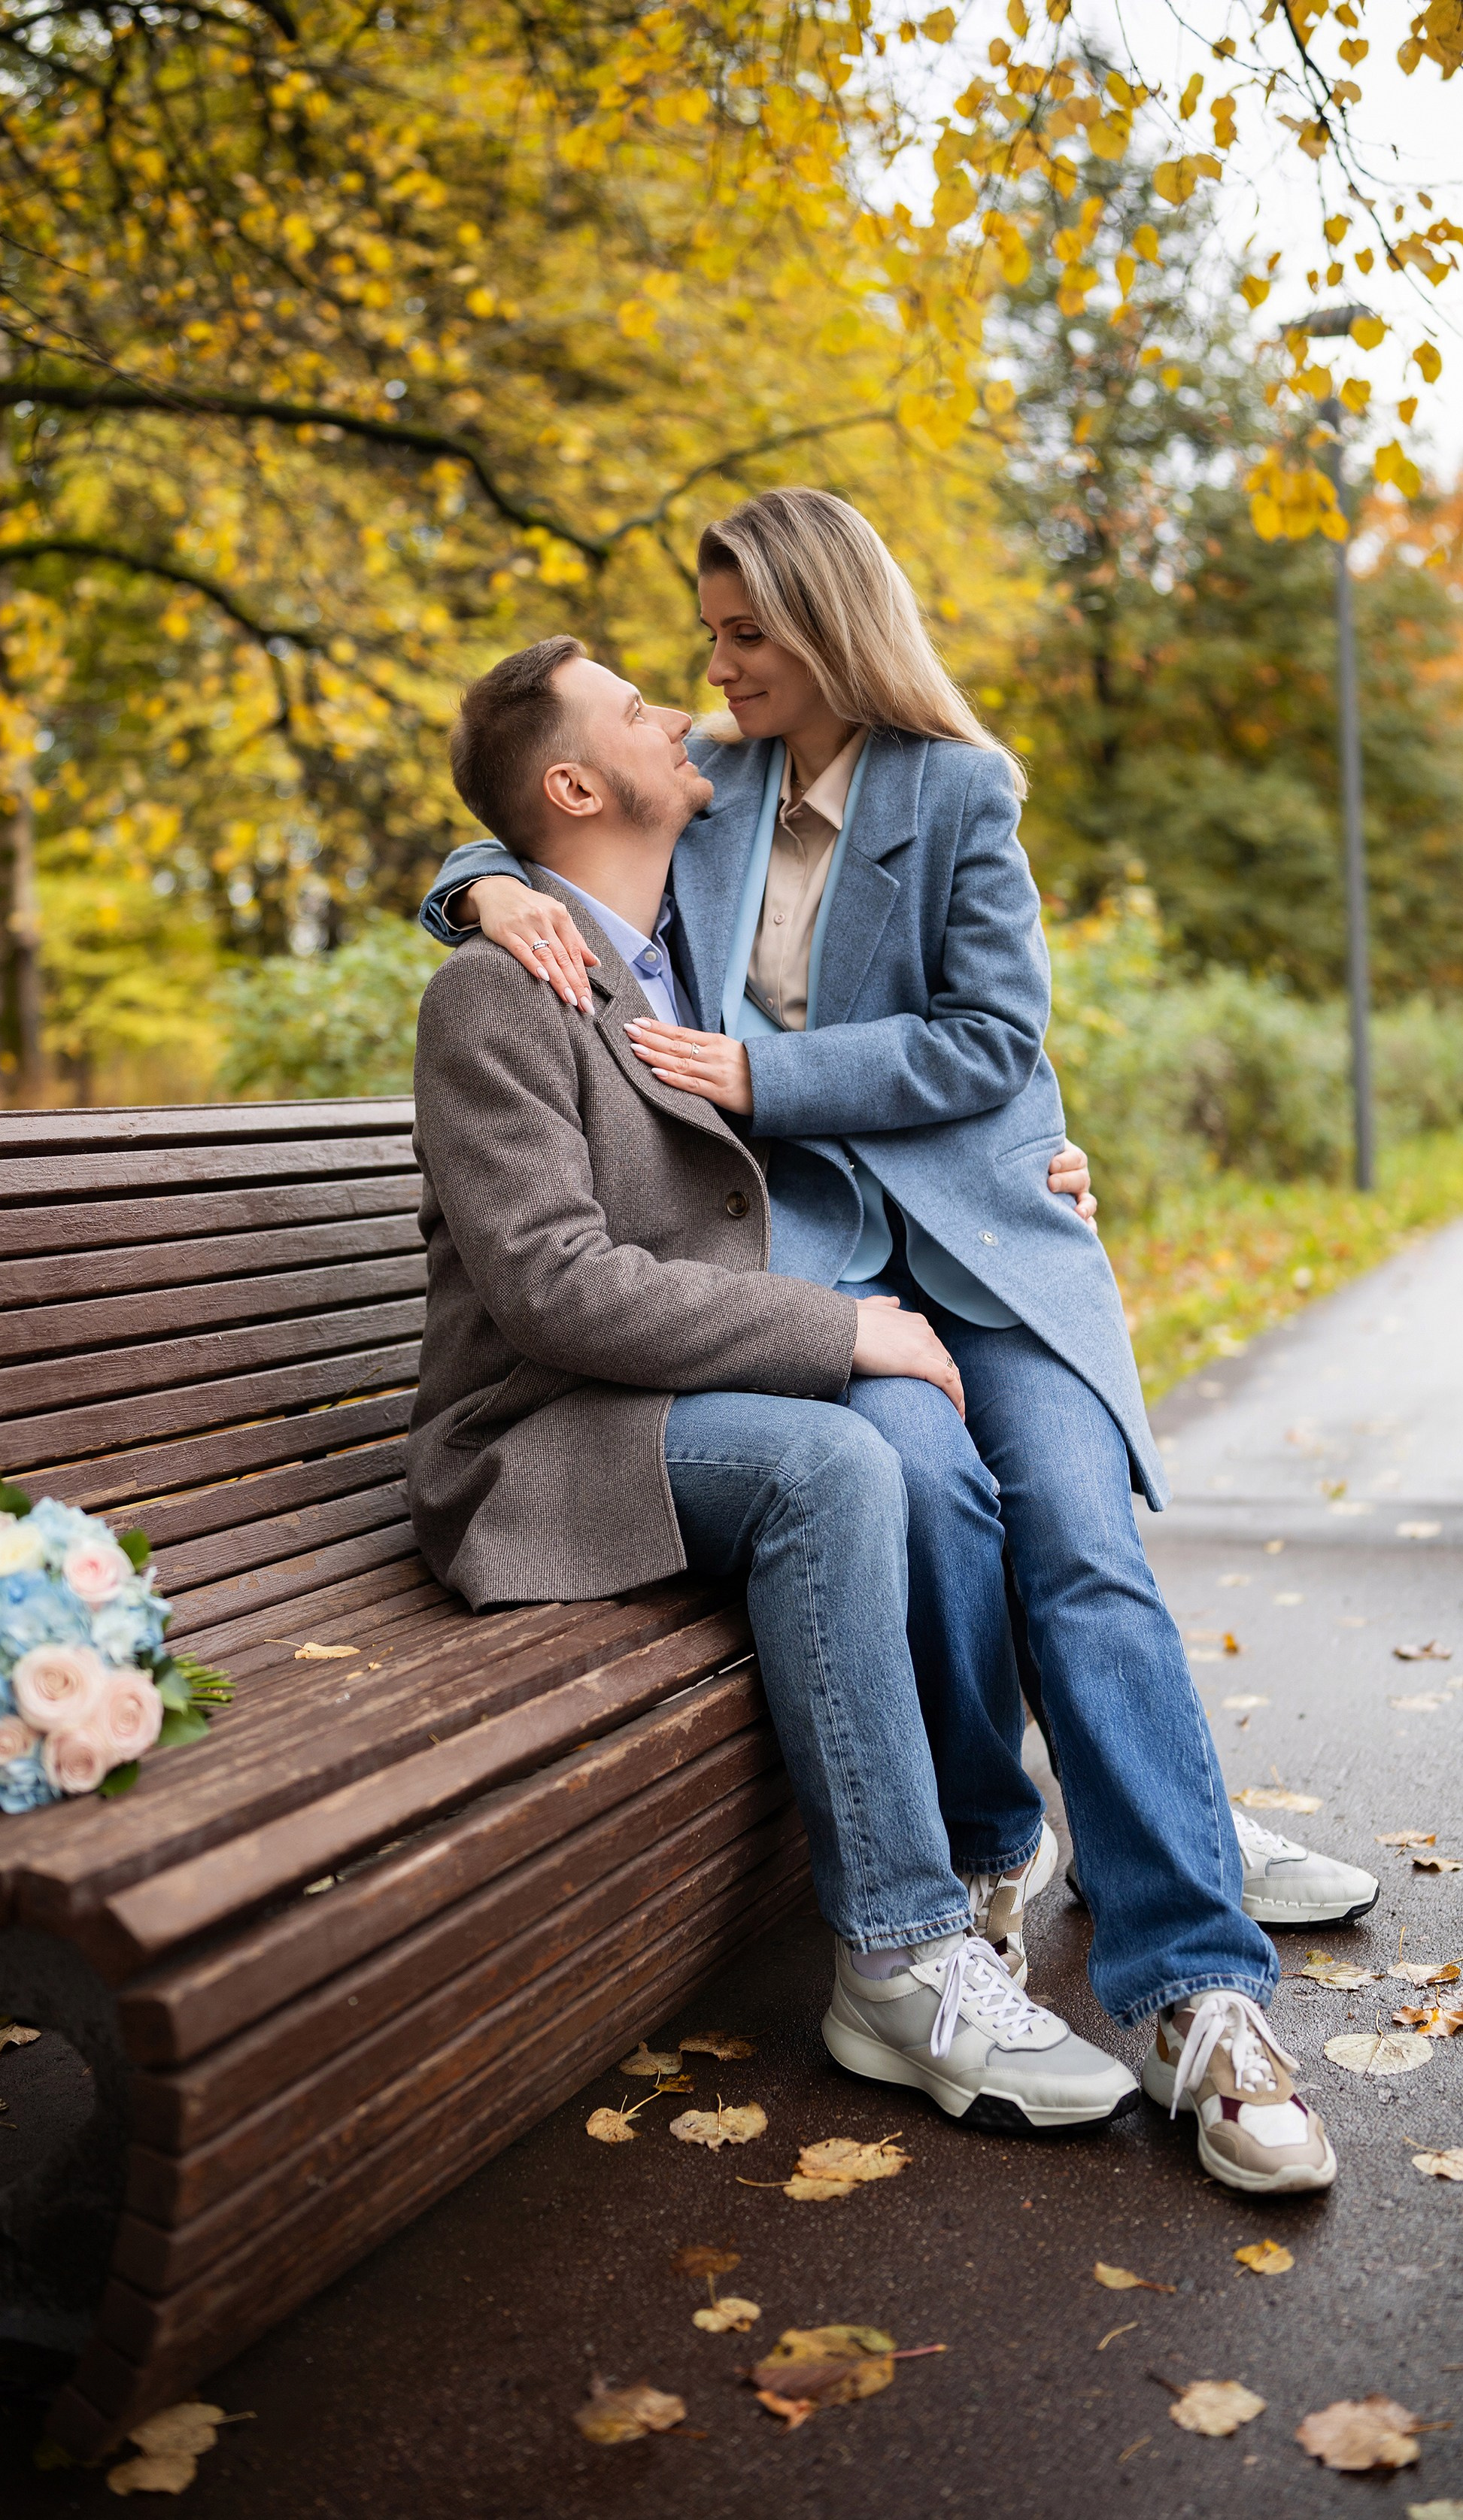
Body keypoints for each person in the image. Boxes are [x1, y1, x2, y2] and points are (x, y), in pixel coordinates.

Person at [420, 490, 1376, 2199]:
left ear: (825, 623)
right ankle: (999, 1853)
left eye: (740, 634)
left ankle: (1197, 1989)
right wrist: (476, 891)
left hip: (988, 1245)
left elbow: (995, 1036)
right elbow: (540, 821)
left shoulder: (959, 789)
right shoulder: (704, 787)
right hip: (820, 1270)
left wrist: (774, 1080)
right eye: (703, 641)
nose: (709, 670)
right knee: (925, 1498)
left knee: (1079, 1541)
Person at [411, 633, 1140, 2139]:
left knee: (928, 1443)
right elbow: (550, 1285)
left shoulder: (697, 912)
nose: (678, 708)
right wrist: (837, 1327)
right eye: (634, 707)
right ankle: (896, 1954)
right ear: (573, 782)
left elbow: (926, 986)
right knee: (841, 1464)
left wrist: (1022, 1170)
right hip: (542, 1440)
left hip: (682, 1398)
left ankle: (1044, 1823)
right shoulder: (497, 993)